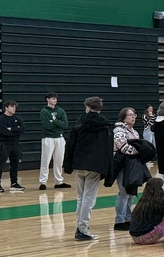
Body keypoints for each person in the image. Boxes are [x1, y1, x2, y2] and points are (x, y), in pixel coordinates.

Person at [63, 96, 114, 240]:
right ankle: (82, 229)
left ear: (89, 107)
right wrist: (109, 171)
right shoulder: (105, 126)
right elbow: (108, 150)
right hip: (95, 165)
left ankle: (80, 227)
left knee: (81, 197)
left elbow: (70, 144)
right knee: (88, 198)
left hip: (79, 163)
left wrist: (68, 164)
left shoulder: (80, 122)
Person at [112, 107, 141, 230]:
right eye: (130, 115)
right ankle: (119, 220)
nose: (133, 117)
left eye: (134, 114)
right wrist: (139, 151)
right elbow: (123, 147)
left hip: (132, 165)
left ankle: (128, 218)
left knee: (131, 193)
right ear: (123, 117)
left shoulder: (134, 131)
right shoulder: (118, 130)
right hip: (122, 165)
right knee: (123, 192)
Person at [39, 92, 70, 190]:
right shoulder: (44, 111)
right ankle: (43, 182)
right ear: (47, 99)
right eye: (52, 99)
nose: (54, 100)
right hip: (48, 138)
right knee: (45, 160)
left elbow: (65, 124)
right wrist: (57, 123)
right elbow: (47, 125)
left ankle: (59, 181)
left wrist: (54, 121)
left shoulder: (60, 110)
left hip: (59, 137)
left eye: (55, 99)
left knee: (59, 160)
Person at [0, 100, 25, 193]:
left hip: (15, 144)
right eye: (12, 107)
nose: (14, 108)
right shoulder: (1, 119)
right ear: (6, 108)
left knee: (15, 165)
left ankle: (14, 183)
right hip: (5, 145)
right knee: (1, 165)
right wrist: (15, 131)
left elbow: (23, 129)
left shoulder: (17, 118)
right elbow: (4, 132)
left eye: (15, 107)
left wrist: (11, 129)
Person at [128, 177, 164, 245]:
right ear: (159, 189)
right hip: (145, 238)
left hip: (135, 237)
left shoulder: (143, 201)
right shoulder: (162, 202)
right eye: (163, 186)